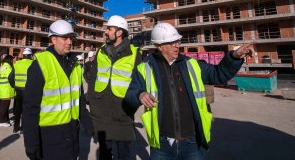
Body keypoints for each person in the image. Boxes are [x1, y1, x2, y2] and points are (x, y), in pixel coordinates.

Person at [125, 22, 254, 159]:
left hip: (192, 142)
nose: (177, 45)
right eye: (171, 42)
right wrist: (140, 94)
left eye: (177, 41)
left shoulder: (191, 64)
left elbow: (218, 74)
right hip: (161, 145)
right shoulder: (145, 68)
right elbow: (130, 93)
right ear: (159, 46)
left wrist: (234, 56)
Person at [23, 20, 89, 160]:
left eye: (71, 38)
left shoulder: (76, 66)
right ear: (53, 39)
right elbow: (30, 108)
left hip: (72, 131)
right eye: (65, 38)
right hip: (49, 135)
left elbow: (80, 100)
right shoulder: (40, 64)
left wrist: (88, 123)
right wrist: (31, 142)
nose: (69, 42)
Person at [87, 15, 142, 159]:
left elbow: (138, 84)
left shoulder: (135, 54)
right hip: (102, 114)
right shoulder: (101, 51)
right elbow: (92, 79)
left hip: (123, 114)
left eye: (109, 29)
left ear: (119, 32)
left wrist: (130, 108)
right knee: (105, 154)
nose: (106, 32)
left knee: (124, 154)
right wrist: (93, 104)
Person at [9, 47, 34, 133]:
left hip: (18, 90)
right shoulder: (33, 63)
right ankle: (23, 128)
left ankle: (16, 127)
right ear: (31, 55)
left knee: (18, 109)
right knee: (26, 110)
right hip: (29, 90)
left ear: (23, 55)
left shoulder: (16, 64)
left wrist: (14, 86)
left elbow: (10, 77)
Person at [0, 54, 15, 127]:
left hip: (2, 89)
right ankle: (1, 121)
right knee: (4, 106)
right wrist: (14, 85)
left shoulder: (1, 66)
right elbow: (11, 78)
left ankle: (6, 119)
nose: (13, 61)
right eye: (12, 60)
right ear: (9, 60)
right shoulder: (8, 67)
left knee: (5, 106)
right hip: (6, 89)